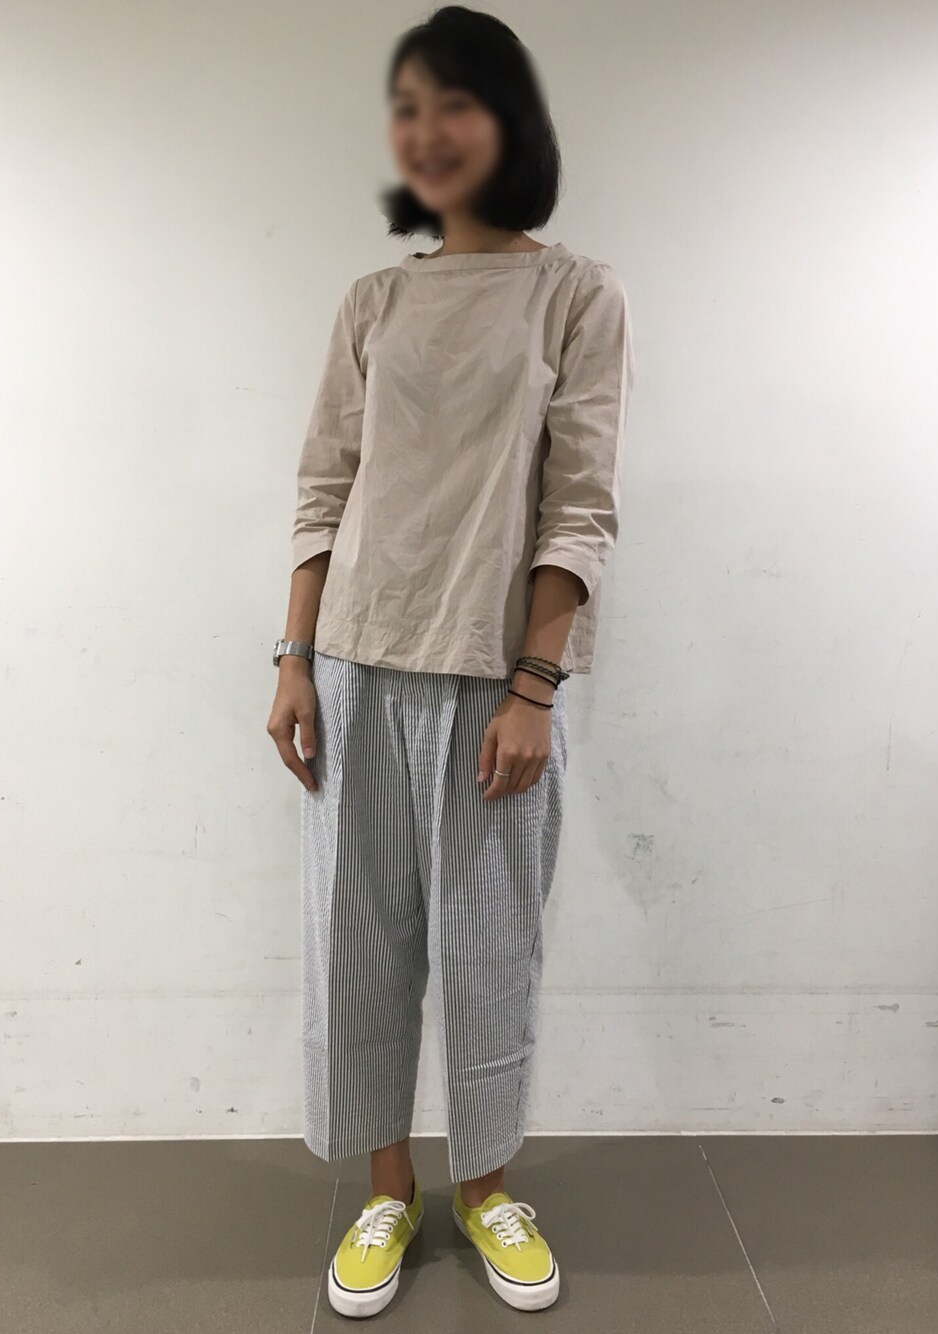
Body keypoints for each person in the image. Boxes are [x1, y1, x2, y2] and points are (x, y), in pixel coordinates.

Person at [267, 4, 634, 1319]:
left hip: (494, 682)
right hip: (357, 666)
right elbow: (324, 488)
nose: (426, 130)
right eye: (408, 106)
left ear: (511, 123)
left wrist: (536, 686)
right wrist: (293, 658)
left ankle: (484, 1188)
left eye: (455, 103)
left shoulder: (575, 295)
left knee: (490, 946)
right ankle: (387, 1190)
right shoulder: (374, 301)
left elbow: (581, 504)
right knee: (362, 940)